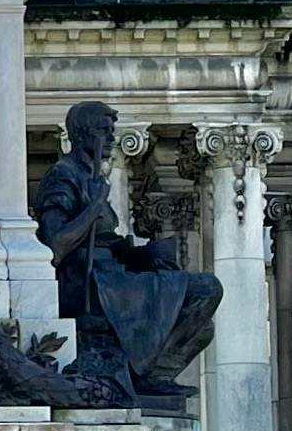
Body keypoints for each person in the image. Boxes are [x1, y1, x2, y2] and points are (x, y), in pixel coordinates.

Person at [33, 100, 221, 396]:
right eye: (103, 132)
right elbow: (55, 245)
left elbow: (109, 243)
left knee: (202, 326)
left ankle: (148, 375)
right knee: (205, 289)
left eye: (111, 131)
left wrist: (144, 255)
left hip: (111, 276)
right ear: (82, 135)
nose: (110, 138)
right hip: (88, 282)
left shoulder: (91, 176)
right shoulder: (63, 175)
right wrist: (94, 206)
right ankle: (145, 374)